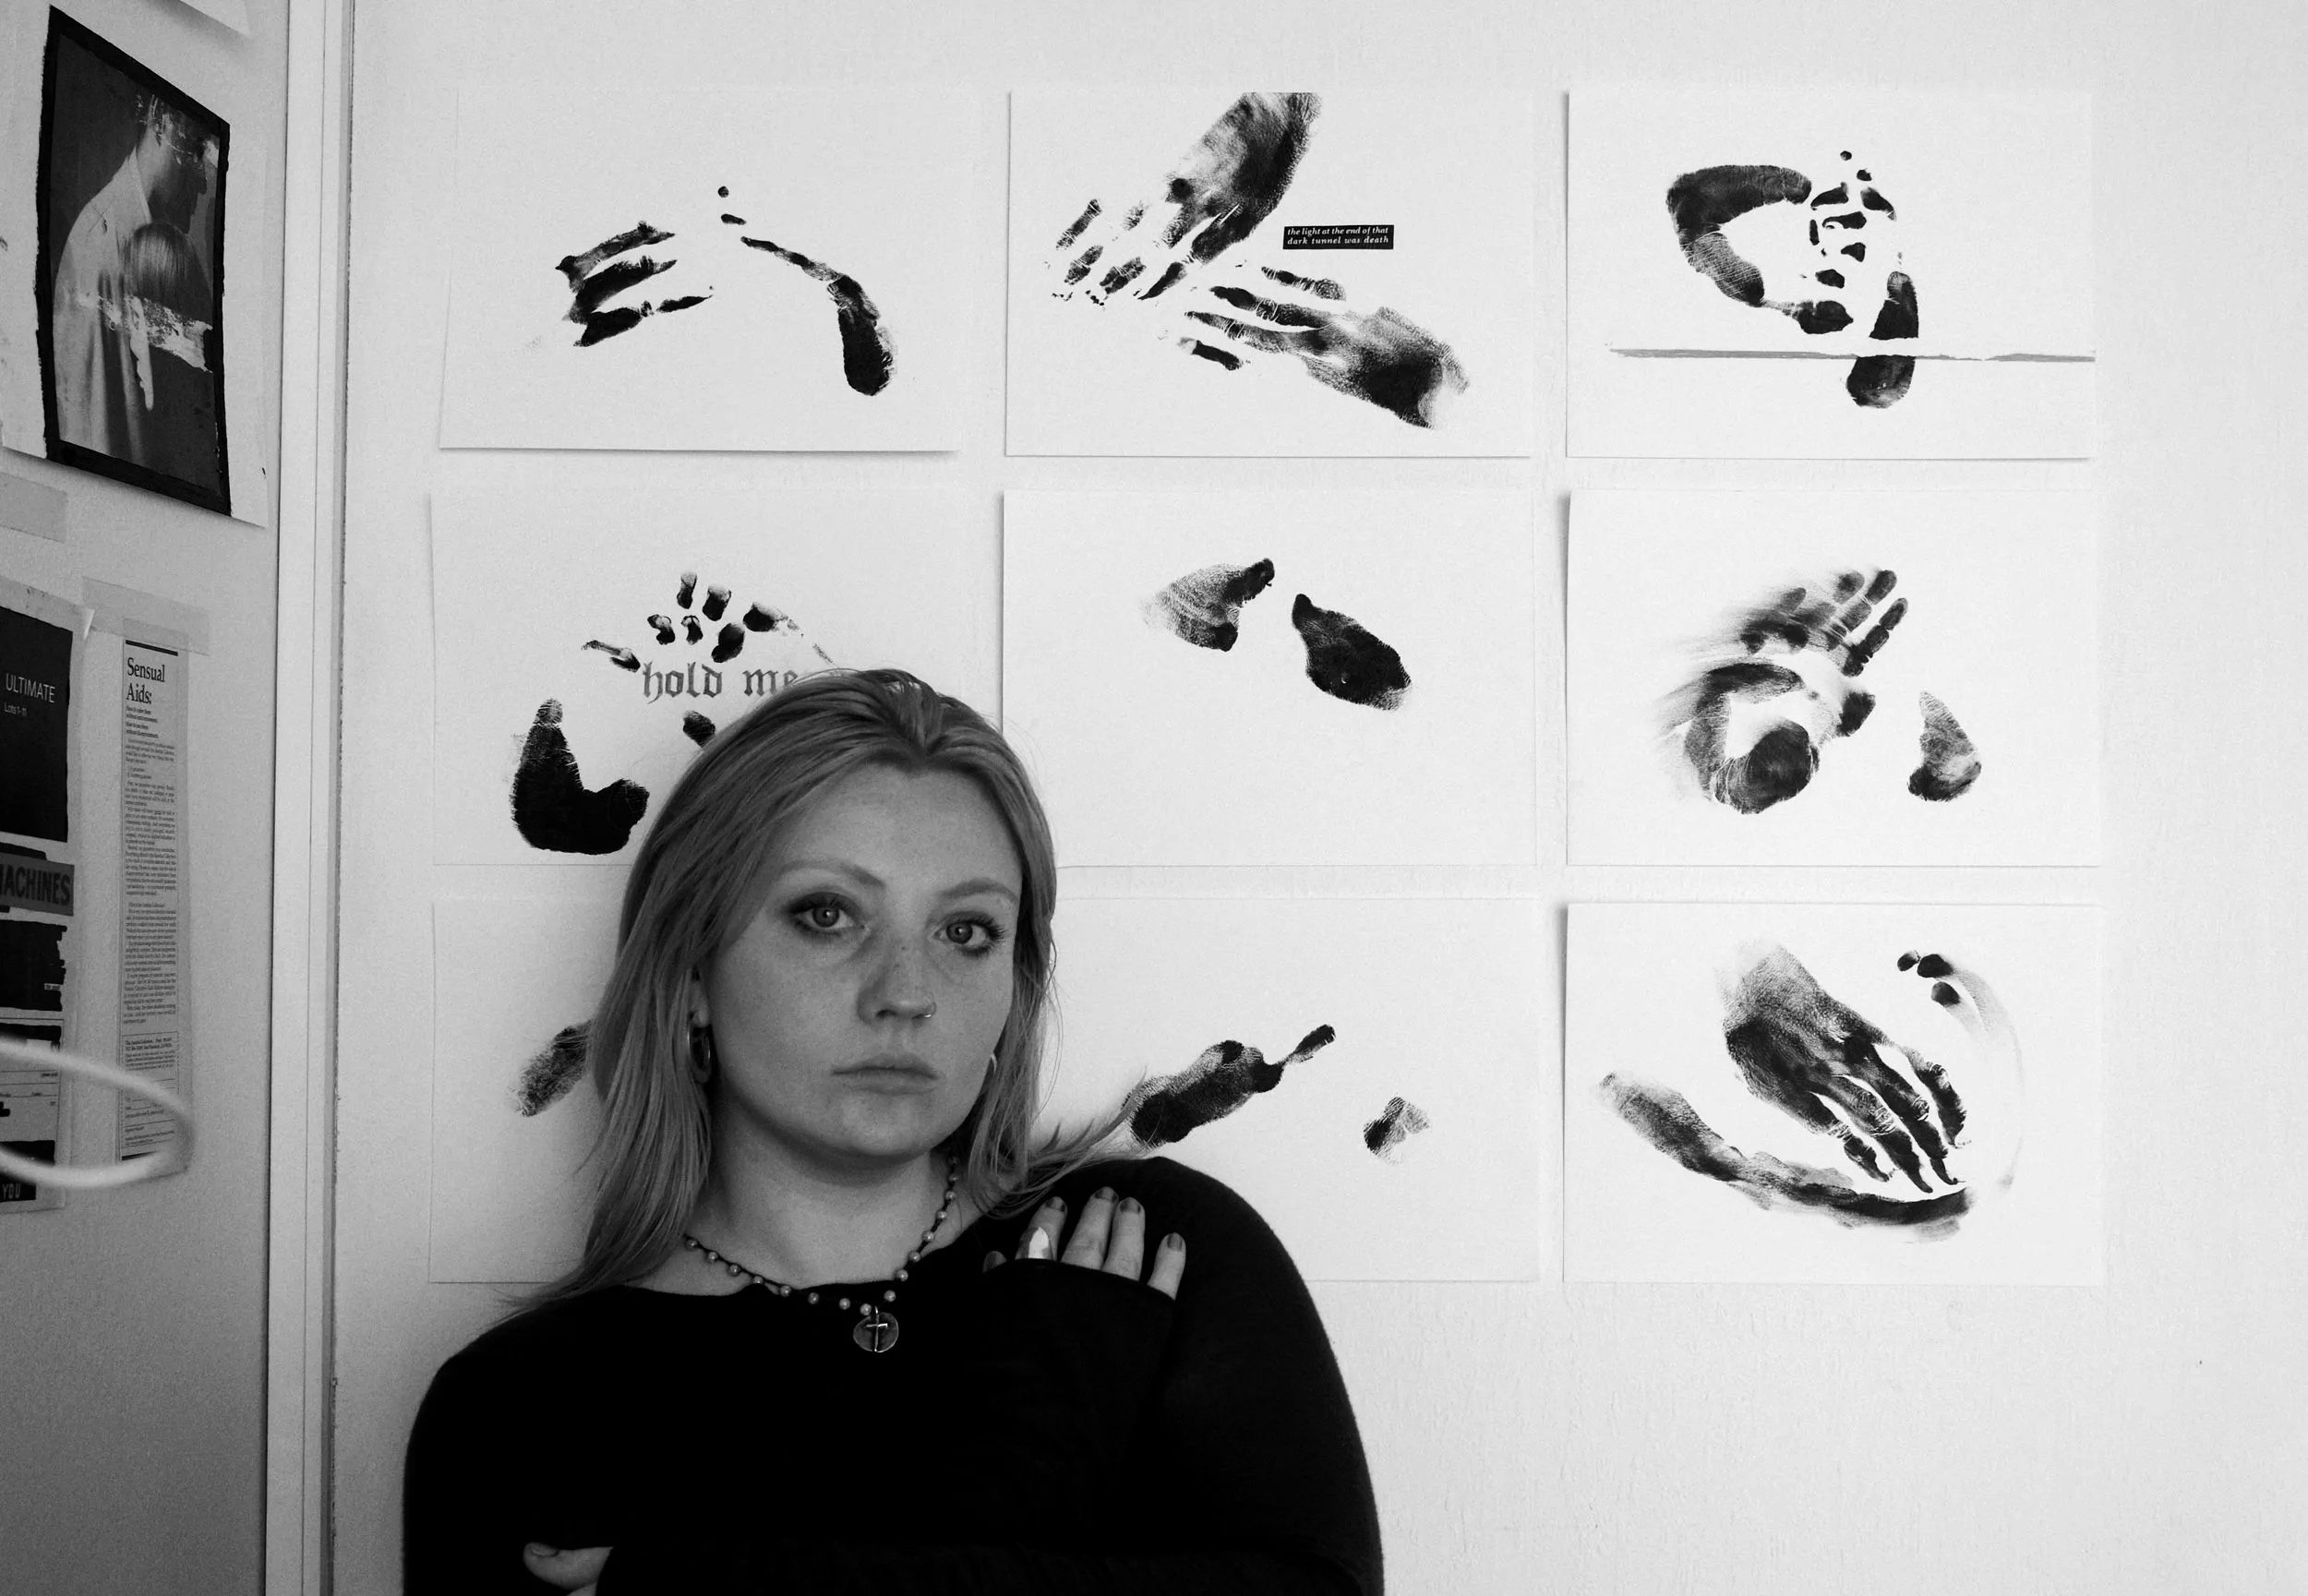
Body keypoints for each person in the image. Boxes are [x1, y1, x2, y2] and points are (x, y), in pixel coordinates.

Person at [403, 668, 1382, 1594]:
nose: (907, 992)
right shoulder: (522, 1406)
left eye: (966, 931)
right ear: (690, 971)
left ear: (1014, 985)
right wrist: (1029, 1492)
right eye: (827, 915)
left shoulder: (1142, 1254)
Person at [46, 91, 219, 478]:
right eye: (196, 153)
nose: (203, 182)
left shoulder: (172, 252)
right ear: (161, 121)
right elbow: (91, 443)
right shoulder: (98, 249)